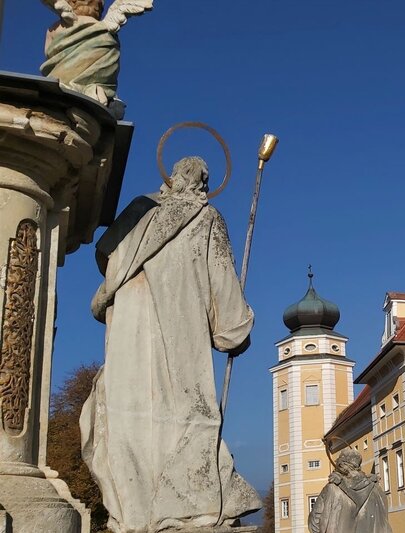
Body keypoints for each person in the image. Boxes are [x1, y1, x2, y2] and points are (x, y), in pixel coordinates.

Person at [80, 156, 261, 532]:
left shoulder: (133, 218)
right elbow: (224, 292)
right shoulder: (206, 218)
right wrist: (236, 331)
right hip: (180, 333)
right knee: (187, 415)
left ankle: (131, 515)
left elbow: (106, 268)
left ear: (170, 178)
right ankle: (189, 510)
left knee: (128, 419)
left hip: (127, 336)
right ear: (202, 184)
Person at [308, 449, 392, 533]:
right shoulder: (377, 490)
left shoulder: (332, 489)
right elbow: (384, 521)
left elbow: (314, 523)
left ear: (340, 464)